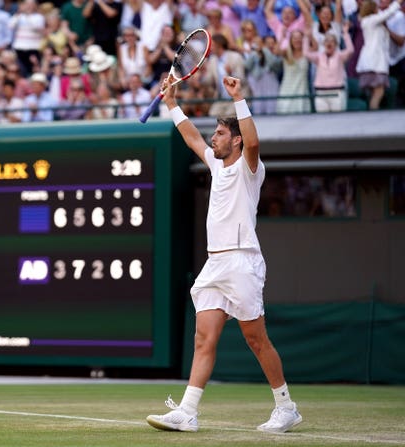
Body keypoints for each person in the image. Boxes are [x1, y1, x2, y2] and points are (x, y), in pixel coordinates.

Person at [146, 74, 302, 434]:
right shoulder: (216, 164)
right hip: (215, 262)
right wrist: (171, 104)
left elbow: (254, 141)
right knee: (204, 338)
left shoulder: (251, 168)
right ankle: (188, 411)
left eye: (219, 134)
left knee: (255, 339)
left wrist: (238, 98)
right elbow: (190, 136)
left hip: (243, 261)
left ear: (234, 140)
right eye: (214, 134)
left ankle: (286, 407)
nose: (212, 138)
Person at [355, 0, 404, 109]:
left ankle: (372, 113)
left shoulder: (374, 22)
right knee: (379, 91)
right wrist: (397, 2)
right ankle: (373, 113)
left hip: (375, 61)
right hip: (374, 62)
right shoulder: (369, 20)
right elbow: (388, 13)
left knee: (375, 92)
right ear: (372, 9)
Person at [303, 24, 354, 112]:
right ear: (323, 44)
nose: (329, 43)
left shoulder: (340, 56)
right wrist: (307, 38)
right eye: (326, 41)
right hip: (321, 93)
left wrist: (345, 34)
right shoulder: (319, 57)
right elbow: (306, 54)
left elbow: (350, 50)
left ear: (336, 44)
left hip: (337, 92)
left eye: (332, 41)